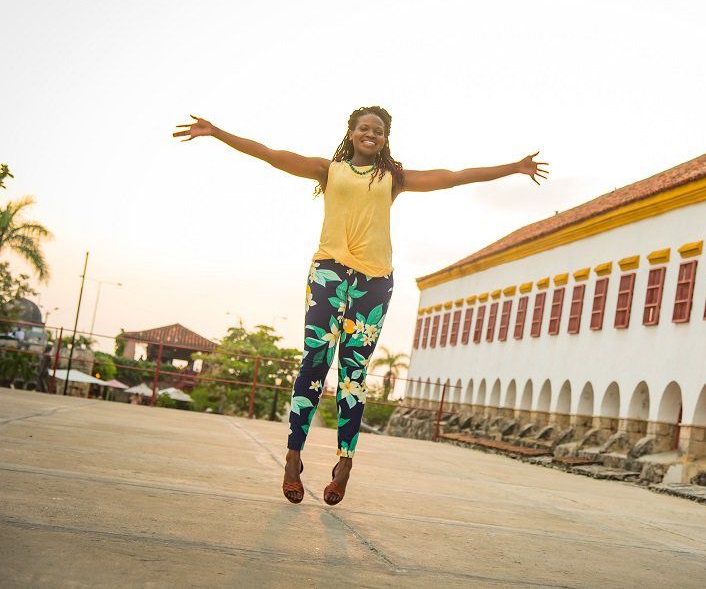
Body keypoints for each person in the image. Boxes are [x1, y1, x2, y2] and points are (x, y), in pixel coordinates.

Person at [172, 106, 548, 505]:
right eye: (364, 128)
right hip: (328, 275)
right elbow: (269, 153)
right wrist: (217, 132)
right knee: (314, 362)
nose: (371, 134)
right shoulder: (327, 170)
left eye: (379, 131)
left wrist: (514, 167)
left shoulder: (393, 179)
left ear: (385, 139)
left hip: (374, 281)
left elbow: (453, 178)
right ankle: (293, 457)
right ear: (351, 133)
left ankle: (345, 463)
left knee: (353, 373)